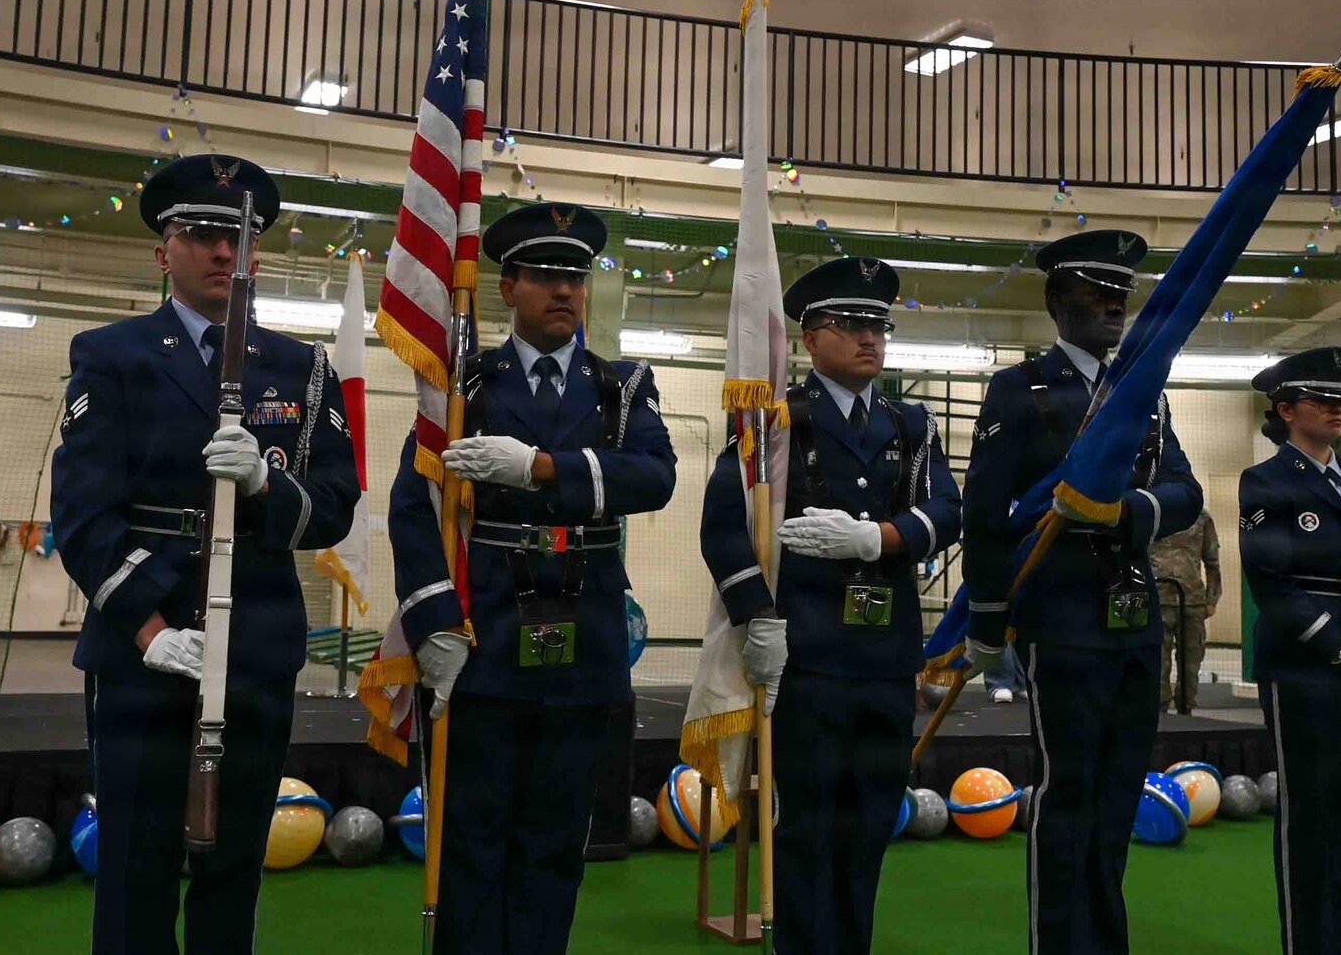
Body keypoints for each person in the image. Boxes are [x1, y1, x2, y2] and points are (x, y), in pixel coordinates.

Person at [50, 154, 360, 955]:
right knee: (134, 862)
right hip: (140, 647)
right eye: (203, 234)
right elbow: (84, 518)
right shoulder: (112, 354)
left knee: (234, 863)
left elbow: (333, 508)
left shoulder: (302, 367)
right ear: (165, 251)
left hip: (254, 640)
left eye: (240, 236)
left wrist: (264, 483)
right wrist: (151, 631)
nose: (225, 252)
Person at [390, 201, 676, 955]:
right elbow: (413, 510)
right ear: (508, 285)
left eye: (575, 277)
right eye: (547, 275)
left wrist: (542, 467)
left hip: (583, 643)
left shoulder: (620, 388)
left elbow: (656, 477)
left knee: (555, 846)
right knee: (474, 840)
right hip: (483, 638)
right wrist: (434, 624)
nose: (565, 291)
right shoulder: (464, 387)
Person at [701, 256, 961, 955]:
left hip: (884, 659)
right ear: (812, 337)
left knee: (870, 823)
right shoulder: (779, 419)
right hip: (808, 655)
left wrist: (880, 537)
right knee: (807, 825)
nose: (871, 338)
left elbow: (947, 509)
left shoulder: (911, 425)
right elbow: (723, 524)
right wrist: (756, 616)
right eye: (851, 325)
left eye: (879, 325)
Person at [960, 229, 1204, 955]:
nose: (1113, 306)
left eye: (1121, 294)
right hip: (1062, 618)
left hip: (1135, 618)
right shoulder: (1021, 388)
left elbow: (1185, 491)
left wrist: (1130, 513)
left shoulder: (1142, 389)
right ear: (1057, 300)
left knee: (1118, 794)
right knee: (1068, 796)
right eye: (1096, 293)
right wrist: (988, 617)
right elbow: (984, 511)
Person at [1238, 347, 1341, 955]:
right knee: (1312, 820)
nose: (1338, 408)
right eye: (1322, 399)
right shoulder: (1266, 481)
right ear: (1285, 410)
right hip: (1305, 670)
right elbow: (1271, 584)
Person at [1153, 508, 1223, 713]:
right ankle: (1160, 709)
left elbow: (1212, 561)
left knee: (1191, 661)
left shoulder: (1201, 517)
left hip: (1191, 600)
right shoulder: (1151, 510)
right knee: (1157, 662)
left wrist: (1212, 599)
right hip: (1157, 600)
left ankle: (1186, 708)